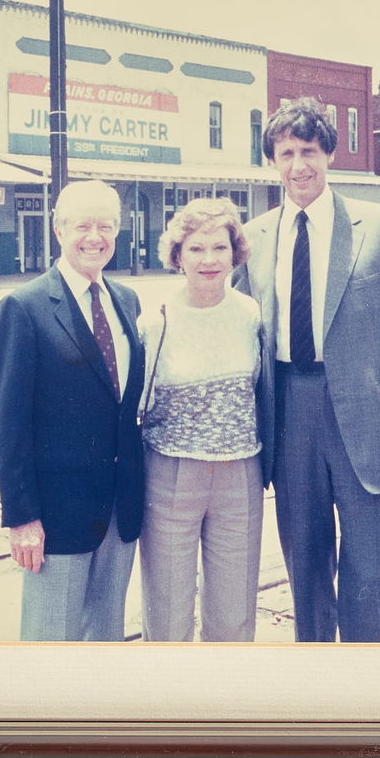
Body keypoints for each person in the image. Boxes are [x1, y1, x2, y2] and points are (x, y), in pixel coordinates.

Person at [235, 98, 380, 642]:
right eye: (286, 153)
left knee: (371, 574)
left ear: (330, 155)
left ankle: (376, 696)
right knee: (306, 570)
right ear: (272, 162)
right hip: (289, 416)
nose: (299, 165)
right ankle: (319, 689)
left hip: (367, 424)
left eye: (309, 152)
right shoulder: (252, 239)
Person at [0, 181, 145, 640]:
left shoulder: (126, 301)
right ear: (58, 229)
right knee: (50, 645)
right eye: (83, 226)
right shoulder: (24, 307)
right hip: (56, 516)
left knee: (105, 638)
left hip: (119, 510)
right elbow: (6, 424)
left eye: (107, 226)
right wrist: (21, 517)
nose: (95, 237)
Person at [137, 198, 264, 643]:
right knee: (168, 612)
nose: (209, 260)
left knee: (234, 613)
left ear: (235, 253)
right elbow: (138, 403)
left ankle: (223, 705)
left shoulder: (251, 313)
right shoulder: (157, 321)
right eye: (195, 249)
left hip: (240, 474)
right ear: (177, 255)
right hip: (172, 474)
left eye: (219, 248)